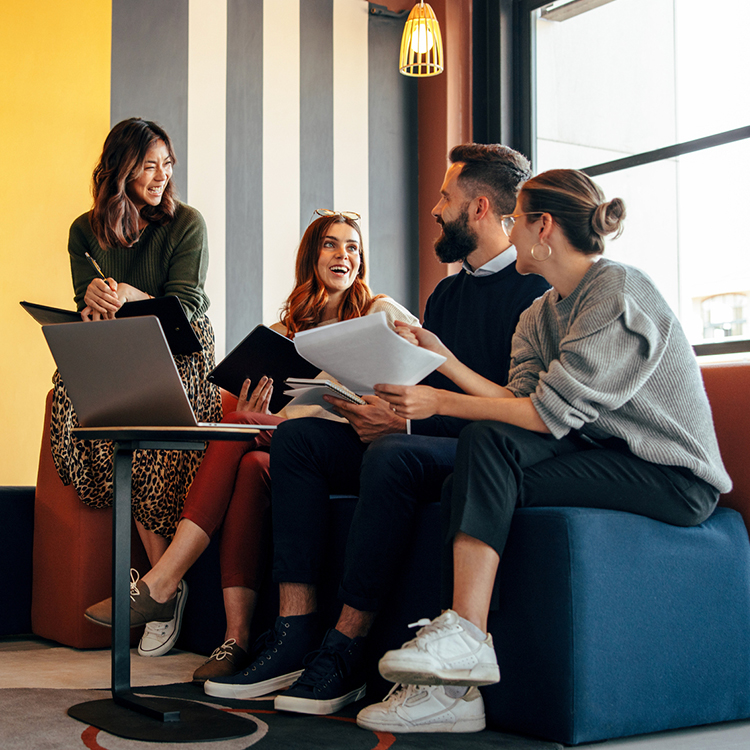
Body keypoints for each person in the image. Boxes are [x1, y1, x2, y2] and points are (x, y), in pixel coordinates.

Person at [366, 168, 731, 733]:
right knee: (470, 468)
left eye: (515, 222)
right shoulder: (540, 314)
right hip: (602, 454)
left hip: (670, 475)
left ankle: (463, 644)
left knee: (484, 446)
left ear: (544, 228)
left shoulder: (617, 292)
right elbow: (519, 403)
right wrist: (443, 358)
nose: (507, 234)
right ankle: (455, 690)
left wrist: (439, 401)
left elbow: (543, 414)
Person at [204, 144, 550, 725]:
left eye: (445, 197)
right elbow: (416, 381)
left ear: (481, 208)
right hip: (419, 431)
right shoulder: (445, 294)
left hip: (480, 451)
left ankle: (345, 650)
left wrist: (406, 422)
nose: (435, 210)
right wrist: (376, 407)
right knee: (298, 443)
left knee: (392, 454)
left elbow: (518, 410)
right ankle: (293, 634)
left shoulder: (534, 293)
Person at [84, 210, 419, 676]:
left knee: (242, 426)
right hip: (291, 451)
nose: (344, 255)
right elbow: (280, 413)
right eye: (331, 244)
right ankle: (235, 640)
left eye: (353, 247)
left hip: (355, 444)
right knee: (245, 453)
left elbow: (419, 367)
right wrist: (253, 406)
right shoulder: (285, 333)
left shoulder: (378, 311)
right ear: (311, 257)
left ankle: (163, 583)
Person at [50, 117, 223, 655]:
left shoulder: (186, 222)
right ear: (120, 169)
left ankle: (157, 588)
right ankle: (161, 589)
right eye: (148, 165)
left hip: (180, 348)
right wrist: (94, 304)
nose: (160, 174)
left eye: (166, 164)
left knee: (147, 435)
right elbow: (87, 299)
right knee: (74, 398)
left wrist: (128, 293)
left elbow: (188, 305)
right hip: (120, 345)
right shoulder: (85, 229)